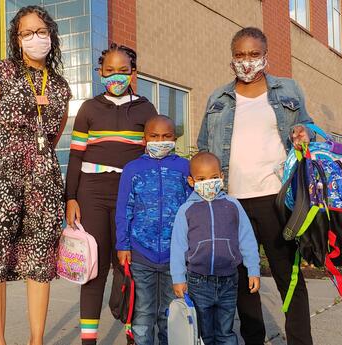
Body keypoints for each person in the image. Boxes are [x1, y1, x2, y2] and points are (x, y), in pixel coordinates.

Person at [0, 6, 72, 345]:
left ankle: (37, 340)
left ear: (51, 35)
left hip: (43, 182)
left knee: (39, 259)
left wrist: (35, 165)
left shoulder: (61, 87)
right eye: (27, 33)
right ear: (16, 39)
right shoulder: (1, 72)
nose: (35, 38)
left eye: (41, 31)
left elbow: (51, 137)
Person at [197, 27, 314, 345]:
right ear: (231, 58)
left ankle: (300, 340)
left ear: (265, 56)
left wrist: (305, 132)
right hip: (231, 202)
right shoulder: (217, 98)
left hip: (276, 200)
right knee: (241, 279)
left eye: (253, 54)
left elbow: (309, 126)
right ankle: (253, 339)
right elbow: (204, 148)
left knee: (288, 278)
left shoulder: (287, 89)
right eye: (239, 55)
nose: (246, 62)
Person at [65, 43, 158, 345]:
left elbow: (154, 155)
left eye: (122, 71)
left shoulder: (146, 109)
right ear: (100, 73)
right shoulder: (89, 108)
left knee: (128, 266)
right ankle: (88, 341)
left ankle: (133, 334)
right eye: (109, 71)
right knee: (94, 268)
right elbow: (76, 157)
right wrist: (71, 198)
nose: (115, 77)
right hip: (92, 194)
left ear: (133, 73)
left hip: (131, 197)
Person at [115, 115, 191, 345]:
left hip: (175, 257)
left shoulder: (184, 167)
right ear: (144, 138)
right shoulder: (132, 169)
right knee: (143, 314)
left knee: (170, 313)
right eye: (154, 136)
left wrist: (191, 246)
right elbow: (123, 208)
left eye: (166, 136)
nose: (160, 140)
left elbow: (192, 208)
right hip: (141, 254)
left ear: (175, 139)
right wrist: (123, 244)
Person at [170, 152, 260, 345]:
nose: (208, 183)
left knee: (225, 332)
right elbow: (178, 246)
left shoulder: (233, 205)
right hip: (198, 281)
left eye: (213, 178)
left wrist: (253, 269)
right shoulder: (186, 210)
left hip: (229, 280)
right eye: (201, 179)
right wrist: (178, 278)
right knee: (204, 334)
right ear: (191, 181)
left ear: (221, 177)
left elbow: (247, 239)